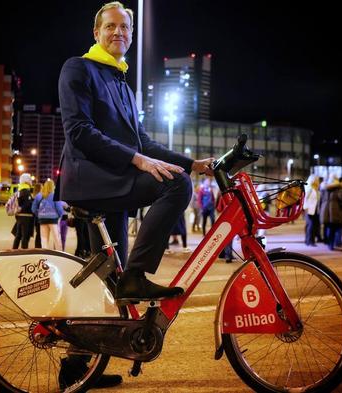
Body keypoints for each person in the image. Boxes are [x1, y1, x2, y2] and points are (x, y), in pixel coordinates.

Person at [57, 1, 213, 305]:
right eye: (111, 26)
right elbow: (79, 131)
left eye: (125, 27)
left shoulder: (124, 87)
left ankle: (80, 349)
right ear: (96, 32)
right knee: (177, 185)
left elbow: (144, 143)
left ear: (131, 34)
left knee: (109, 285)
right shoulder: (79, 67)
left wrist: (192, 163)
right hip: (92, 180)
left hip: (115, 180)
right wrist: (138, 160)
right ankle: (137, 275)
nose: (119, 32)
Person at [32, 179, 65, 250]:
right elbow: (59, 208)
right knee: (56, 239)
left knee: (44, 240)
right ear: (53, 187)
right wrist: (60, 215)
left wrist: (39, 214)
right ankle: (59, 254)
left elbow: (33, 208)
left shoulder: (39, 196)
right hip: (53, 220)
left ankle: (45, 256)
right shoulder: (55, 196)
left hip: (42, 220)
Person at [320, 174, 342, 252]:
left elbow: (321, 200)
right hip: (337, 211)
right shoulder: (339, 189)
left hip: (326, 212)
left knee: (329, 228)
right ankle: (338, 244)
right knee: (338, 228)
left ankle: (330, 245)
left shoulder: (324, 188)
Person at [12, 173, 35, 249]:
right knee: (25, 236)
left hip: (19, 216)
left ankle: (14, 250)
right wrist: (33, 201)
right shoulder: (26, 190)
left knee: (18, 235)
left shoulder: (19, 190)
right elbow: (27, 204)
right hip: (26, 217)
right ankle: (24, 252)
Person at [303, 174, 320, 247]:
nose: (318, 181)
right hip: (309, 210)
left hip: (314, 209)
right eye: (316, 179)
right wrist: (306, 208)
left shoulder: (314, 188)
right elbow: (305, 199)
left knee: (311, 225)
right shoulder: (309, 187)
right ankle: (310, 241)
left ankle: (308, 240)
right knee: (311, 225)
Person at [32, 183, 43, 248]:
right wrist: (39, 214)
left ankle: (37, 247)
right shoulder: (39, 196)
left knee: (38, 234)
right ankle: (39, 248)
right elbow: (34, 209)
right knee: (40, 234)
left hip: (35, 219)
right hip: (39, 218)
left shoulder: (34, 196)